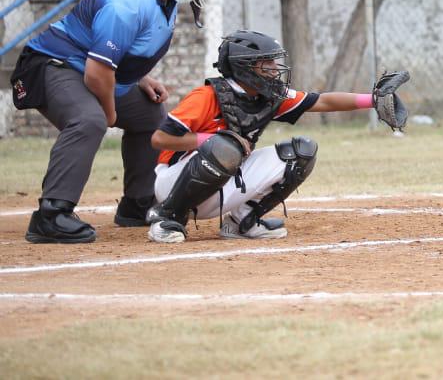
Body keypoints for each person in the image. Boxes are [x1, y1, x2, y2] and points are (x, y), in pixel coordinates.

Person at [14, 0, 212, 243]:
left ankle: (138, 203)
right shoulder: (128, 2)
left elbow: (113, 51)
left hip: (83, 64)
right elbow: (96, 73)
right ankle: (51, 214)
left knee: (150, 114)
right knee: (89, 119)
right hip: (48, 64)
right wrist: (108, 112)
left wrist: (139, 78)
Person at [145, 30, 409, 243]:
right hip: (175, 183)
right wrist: (208, 140)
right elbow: (159, 139)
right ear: (245, 67)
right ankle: (167, 217)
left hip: (221, 181)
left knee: (301, 152)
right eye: (267, 63)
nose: (275, 68)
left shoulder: (267, 97)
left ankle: (241, 222)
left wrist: (372, 100)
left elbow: (322, 102)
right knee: (225, 146)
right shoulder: (207, 96)